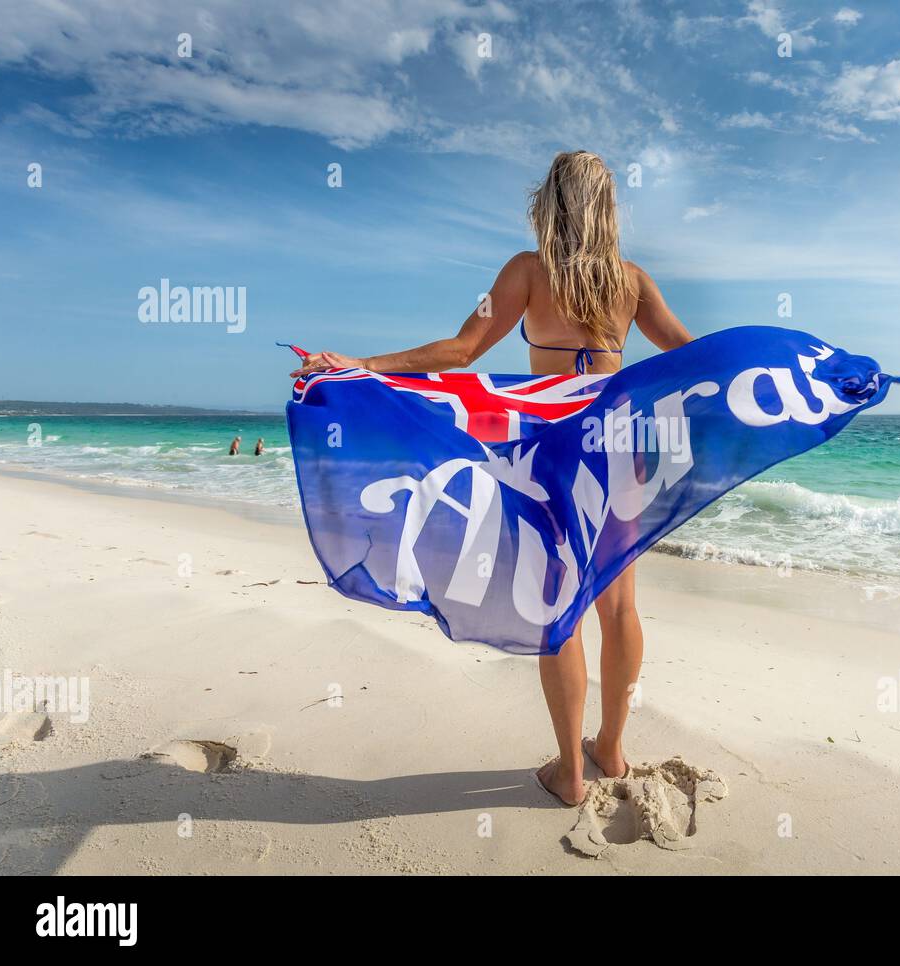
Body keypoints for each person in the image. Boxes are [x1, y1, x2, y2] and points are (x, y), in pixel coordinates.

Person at [291, 150, 694, 805]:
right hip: (621, 445)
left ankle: (569, 771)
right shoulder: (632, 281)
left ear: (551, 204)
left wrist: (361, 365)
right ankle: (612, 752)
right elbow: (691, 355)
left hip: (558, 447)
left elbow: (461, 352)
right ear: (607, 208)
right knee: (620, 608)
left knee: (557, 606)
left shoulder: (528, 272)